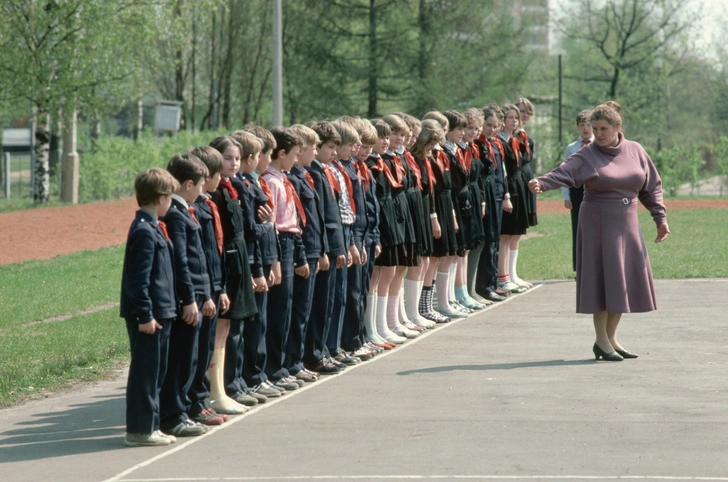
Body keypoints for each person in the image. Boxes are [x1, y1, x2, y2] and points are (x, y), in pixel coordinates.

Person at [528, 102, 670, 361]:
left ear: (618, 127)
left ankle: (612, 339)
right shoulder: (588, 153)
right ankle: (601, 342)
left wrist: (660, 218)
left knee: (622, 281)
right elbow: (565, 171)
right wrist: (542, 182)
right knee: (603, 281)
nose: (598, 134)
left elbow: (652, 187)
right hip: (598, 222)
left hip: (627, 223)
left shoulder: (635, 150)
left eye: (603, 128)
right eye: (594, 129)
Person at [120, 168, 179, 447]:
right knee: (145, 373)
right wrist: (145, 314)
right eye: (169, 196)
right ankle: (139, 430)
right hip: (149, 316)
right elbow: (138, 279)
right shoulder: (144, 230)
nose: (171, 202)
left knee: (156, 373)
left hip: (161, 311)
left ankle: (151, 426)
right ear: (159, 198)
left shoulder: (153, 226)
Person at [159, 154, 214, 438]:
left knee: (190, 357)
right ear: (189, 183)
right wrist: (190, 298)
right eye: (201, 184)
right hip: (186, 300)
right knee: (181, 359)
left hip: (197, 295)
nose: (203, 190)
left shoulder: (187, 211)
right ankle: (173, 416)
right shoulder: (176, 215)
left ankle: (181, 411)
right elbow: (181, 262)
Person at [188, 146, 234, 424]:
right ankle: (194, 403)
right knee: (194, 354)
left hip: (213, 287)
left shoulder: (207, 205)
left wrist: (219, 289)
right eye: (214, 174)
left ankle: (200, 401)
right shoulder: (196, 210)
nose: (218, 179)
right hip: (200, 291)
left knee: (203, 350)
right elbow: (199, 257)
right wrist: (208, 292)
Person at [262, 127, 308, 389]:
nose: (296, 158)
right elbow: (274, 223)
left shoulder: (283, 179)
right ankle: (274, 368)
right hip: (279, 242)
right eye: (293, 154)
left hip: (291, 241)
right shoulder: (271, 181)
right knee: (279, 308)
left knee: (288, 307)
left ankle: (284, 364)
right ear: (281, 154)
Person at [497, 104, 530, 294]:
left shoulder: (515, 139)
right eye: (510, 117)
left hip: (519, 185)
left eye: (516, 117)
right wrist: (506, 195)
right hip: (508, 187)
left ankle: (512, 273)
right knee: (506, 234)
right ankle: (503, 277)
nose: (514, 120)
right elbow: (502, 170)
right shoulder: (500, 141)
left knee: (515, 233)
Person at [561, 110, 594, 271]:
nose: (586, 129)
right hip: (577, 190)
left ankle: (595, 266)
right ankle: (579, 268)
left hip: (595, 188)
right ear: (577, 127)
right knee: (578, 229)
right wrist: (566, 195)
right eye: (582, 125)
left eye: (589, 125)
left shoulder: (599, 145)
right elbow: (565, 172)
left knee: (595, 229)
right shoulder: (572, 148)